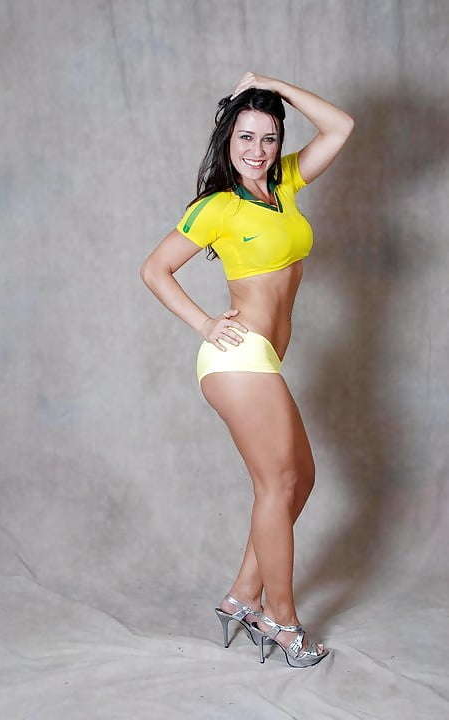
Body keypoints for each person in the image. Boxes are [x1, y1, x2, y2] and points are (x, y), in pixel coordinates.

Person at [140, 72, 354, 668]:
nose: (257, 150)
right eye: (244, 137)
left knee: (300, 480)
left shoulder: (284, 182)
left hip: (264, 358)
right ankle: (281, 620)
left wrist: (271, 85)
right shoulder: (218, 206)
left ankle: (240, 596)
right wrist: (206, 323)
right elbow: (155, 269)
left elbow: (341, 127)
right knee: (276, 485)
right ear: (227, 141)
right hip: (236, 357)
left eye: (268, 137)